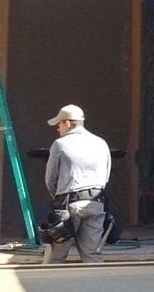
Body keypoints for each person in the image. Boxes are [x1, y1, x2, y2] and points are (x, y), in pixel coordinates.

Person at [41, 104, 113, 262]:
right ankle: (92, 285)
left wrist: (59, 198)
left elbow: (50, 179)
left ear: (67, 123)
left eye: (59, 124)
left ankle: (48, 285)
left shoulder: (60, 144)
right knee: (92, 255)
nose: (57, 129)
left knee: (55, 257)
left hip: (68, 206)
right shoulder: (101, 143)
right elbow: (106, 176)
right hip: (96, 204)